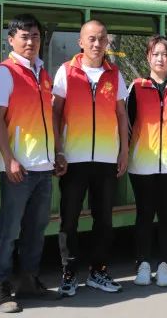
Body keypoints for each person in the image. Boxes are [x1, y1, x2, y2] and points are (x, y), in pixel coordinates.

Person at [52, 20, 130, 296]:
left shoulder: (115, 74)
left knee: (104, 219)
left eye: (102, 39)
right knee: (69, 219)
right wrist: (58, 150)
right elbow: (55, 113)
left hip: (107, 159)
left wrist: (124, 151)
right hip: (74, 158)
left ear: (107, 42)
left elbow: (121, 114)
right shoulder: (66, 71)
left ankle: (99, 271)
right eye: (92, 39)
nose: (97, 44)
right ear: (81, 42)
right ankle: (69, 272)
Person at [0, 14, 59, 313]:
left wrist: (57, 154)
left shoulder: (42, 72)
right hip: (19, 167)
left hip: (43, 165)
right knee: (9, 229)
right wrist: (9, 159)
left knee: (36, 228)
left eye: (35, 36)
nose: (31, 42)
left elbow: (47, 118)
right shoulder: (6, 73)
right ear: (11, 40)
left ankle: (29, 279)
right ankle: (0, 287)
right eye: (24, 36)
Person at [125, 35, 167, 287]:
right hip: (143, 162)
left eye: (165, 54)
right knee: (144, 214)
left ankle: (165, 265)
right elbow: (129, 123)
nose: (160, 59)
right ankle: (143, 264)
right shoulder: (136, 87)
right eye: (155, 54)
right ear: (148, 58)